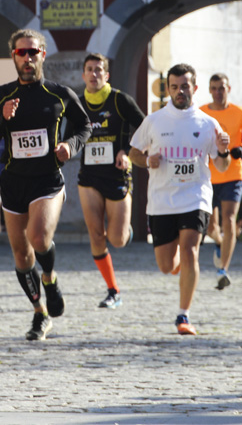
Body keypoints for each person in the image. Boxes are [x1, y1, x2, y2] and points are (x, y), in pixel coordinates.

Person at [0, 29, 91, 341]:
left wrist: (70, 145)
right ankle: (39, 314)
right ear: (13, 56)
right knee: (21, 255)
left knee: (39, 237)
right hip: (14, 183)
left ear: (43, 55)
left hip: (47, 181)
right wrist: (2, 119)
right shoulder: (2, 95)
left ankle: (50, 278)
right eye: (21, 52)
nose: (27, 58)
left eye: (33, 52)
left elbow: (84, 126)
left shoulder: (59, 94)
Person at [129, 63, 231, 335]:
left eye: (184, 86)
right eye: (174, 87)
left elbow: (221, 166)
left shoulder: (208, 123)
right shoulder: (154, 121)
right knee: (166, 265)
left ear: (194, 88)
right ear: (168, 90)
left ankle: (183, 315)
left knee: (190, 251)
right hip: (161, 201)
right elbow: (133, 153)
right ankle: (180, 270)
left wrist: (223, 151)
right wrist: (146, 160)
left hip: (195, 197)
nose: (179, 91)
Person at [77, 53, 144, 309]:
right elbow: (71, 134)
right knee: (96, 234)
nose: (94, 74)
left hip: (117, 175)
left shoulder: (120, 100)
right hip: (89, 177)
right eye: (89, 69)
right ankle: (113, 290)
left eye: (99, 70)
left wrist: (126, 150)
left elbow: (145, 127)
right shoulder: (78, 103)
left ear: (106, 75)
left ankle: (125, 231)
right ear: (83, 75)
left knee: (116, 239)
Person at [200, 73, 242, 290]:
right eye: (214, 88)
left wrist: (241, 149)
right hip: (207, 176)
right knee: (210, 227)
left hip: (233, 175)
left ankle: (223, 270)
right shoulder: (202, 113)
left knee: (229, 220)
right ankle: (219, 242)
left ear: (229, 88)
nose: (218, 92)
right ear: (209, 90)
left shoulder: (240, 113)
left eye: (222, 88)